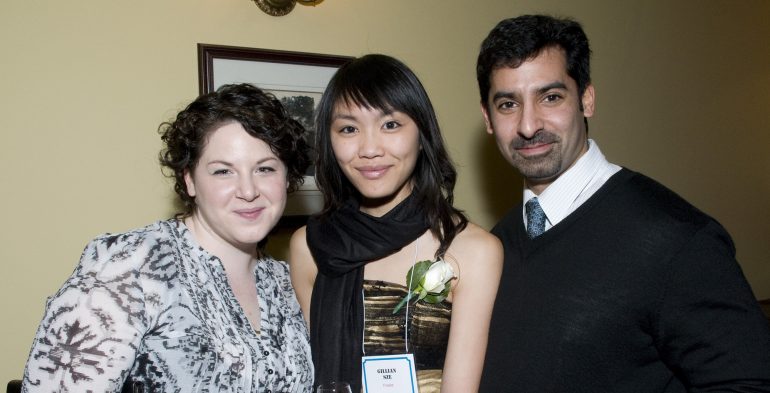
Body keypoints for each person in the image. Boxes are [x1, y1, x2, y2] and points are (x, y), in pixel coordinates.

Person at [476, 14, 770, 392]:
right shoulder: (498, 243)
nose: (529, 125)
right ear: (487, 118)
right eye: (507, 104)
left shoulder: (675, 240)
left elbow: (749, 383)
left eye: (550, 97)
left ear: (586, 99)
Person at [21, 83, 314, 392]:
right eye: (223, 171)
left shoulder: (286, 283)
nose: (248, 190)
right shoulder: (130, 268)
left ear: (287, 177)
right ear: (189, 179)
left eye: (265, 169)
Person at [290, 54, 502, 393]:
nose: (370, 149)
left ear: (421, 133)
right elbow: (310, 375)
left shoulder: (473, 250)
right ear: (329, 141)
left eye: (390, 125)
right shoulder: (310, 246)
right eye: (348, 128)